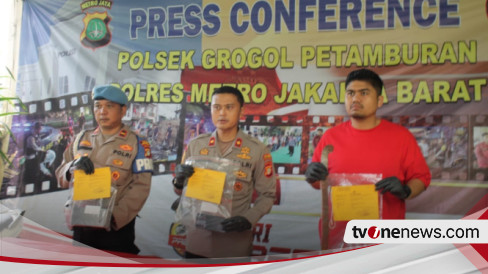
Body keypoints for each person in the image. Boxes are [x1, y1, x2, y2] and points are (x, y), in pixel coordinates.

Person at [305, 68, 431, 237]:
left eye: (363, 93)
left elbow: (421, 178)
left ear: (379, 100)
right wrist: (312, 175)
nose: (355, 98)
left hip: (384, 239)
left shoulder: (401, 137)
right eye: (350, 93)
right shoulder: (330, 137)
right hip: (337, 238)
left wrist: (406, 190)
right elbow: (318, 183)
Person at [173, 86, 276, 259]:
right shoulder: (196, 145)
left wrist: (248, 219)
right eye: (217, 107)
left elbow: (268, 195)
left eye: (229, 107)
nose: (222, 113)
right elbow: (180, 191)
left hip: (233, 244)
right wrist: (178, 181)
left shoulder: (257, 150)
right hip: (197, 240)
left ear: (241, 111)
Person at [55, 85, 153, 254]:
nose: (102, 111)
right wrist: (71, 168)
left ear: (123, 111)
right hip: (82, 224)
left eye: (109, 106)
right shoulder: (81, 138)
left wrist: (114, 217)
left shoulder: (138, 143)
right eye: (98, 106)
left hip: (115, 229)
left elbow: (141, 187)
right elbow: (61, 175)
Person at [23, 122, 44, 194]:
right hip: (30, 158)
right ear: (36, 129)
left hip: (35, 156)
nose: (40, 131)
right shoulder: (30, 137)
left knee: (37, 169)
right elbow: (34, 146)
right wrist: (41, 149)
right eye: (40, 129)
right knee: (32, 171)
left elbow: (39, 143)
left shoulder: (36, 135)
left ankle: (35, 184)